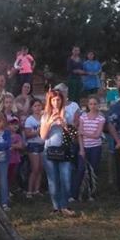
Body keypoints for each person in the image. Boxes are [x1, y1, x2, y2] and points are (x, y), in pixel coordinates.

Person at [40, 88, 76, 216]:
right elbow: (42, 136)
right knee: (53, 180)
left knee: (65, 178)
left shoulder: (67, 114)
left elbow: (73, 135)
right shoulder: (45, 115)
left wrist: (64, 124)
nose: (56, 102)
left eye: (58, 100)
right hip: (49, 150)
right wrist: (49, 123)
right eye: (53, 100)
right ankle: (56, 207)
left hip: (64, 150)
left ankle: (65, 205)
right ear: (50, 101)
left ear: (62, 101)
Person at [78, 95, 105, 190]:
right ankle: (80, 190)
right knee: (81, 169)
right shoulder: (83, 117)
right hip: (84, 146)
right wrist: (81, 149)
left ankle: (92, 190)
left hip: (95, 147)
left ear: (98, 105)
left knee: (93, 168)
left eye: (95, 104)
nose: (93, 106)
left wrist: (84, 133)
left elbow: (97, 135)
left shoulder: (101, 118)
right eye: (91, 104)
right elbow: (79, 135)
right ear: (88, 105)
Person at [23, 98, 45, 197]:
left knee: (40, 168)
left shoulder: (44, 118)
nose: (37, 108)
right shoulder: (29, 119)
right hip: (33, 145)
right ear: (32, 108)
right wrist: (38, 131)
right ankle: (29, 191)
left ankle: (37, 190)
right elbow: (27, 134)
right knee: (34, 168)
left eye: (39, 105)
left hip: (42, 144)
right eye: (35, 106)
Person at [7, 115, 25, 194]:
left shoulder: (18, 136)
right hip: (7, 160)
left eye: (16, 124)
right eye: (12, 124)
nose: (14, 126)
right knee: (6, 176)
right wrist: (14, 145)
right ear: (8, 125)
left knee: (13, 175)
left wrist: (12, 146)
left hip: (15, 160)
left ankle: (12, 189)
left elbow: (20, 146)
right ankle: (6, 190)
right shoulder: (5, 136)